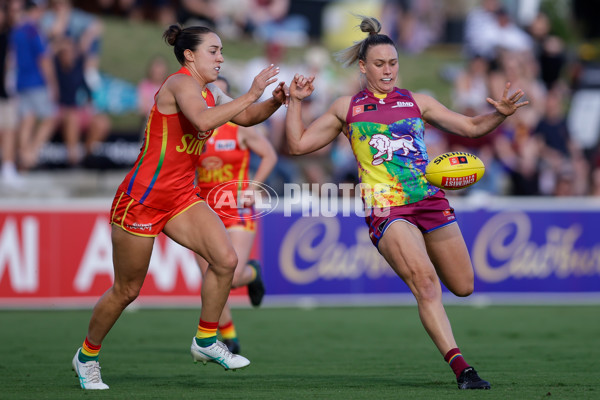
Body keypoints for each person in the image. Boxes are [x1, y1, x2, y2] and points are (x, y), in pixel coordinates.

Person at [285, 15, 528, 390]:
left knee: (463, 286)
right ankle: (464, 370)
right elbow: (297, 145)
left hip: (429, 200)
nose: (388, 71)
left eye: (393, 63)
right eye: (379, 64)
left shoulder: (419, 102)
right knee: (426, 284)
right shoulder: (345, 107)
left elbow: (471, 127)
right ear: (363, 67)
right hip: (386, 208)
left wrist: (500, 115)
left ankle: (424, 269)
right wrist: (296, 103)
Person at [71, 23, 288, 390]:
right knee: (127, 290)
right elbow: (204, 121)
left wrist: (277, 100)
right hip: (142, 200)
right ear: (190, 55)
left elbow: (246, 119)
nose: (220, 58)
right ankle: (86, 356)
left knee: (226, 260)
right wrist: (252, 92)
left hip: (180, 198)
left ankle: (206, 340)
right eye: (213, 51)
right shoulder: (179, 84)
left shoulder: (210, 90)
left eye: (221, 51)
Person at [195, 75, 277, 354]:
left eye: (222, 94)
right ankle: (228, 336)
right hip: (202, 209)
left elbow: (269, 155)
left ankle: (252, 273)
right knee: (210, 276)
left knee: (229, 273)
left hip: (236, 208)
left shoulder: (239, 127)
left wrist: (254, 187)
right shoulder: (197, 128)